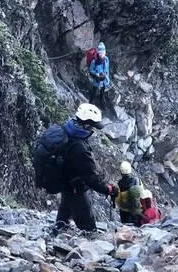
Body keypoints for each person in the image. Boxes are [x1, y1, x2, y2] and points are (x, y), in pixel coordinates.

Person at [54, 103, 117, 233]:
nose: (93, 130)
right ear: (87, 125)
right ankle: (90, 242)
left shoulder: (66, 130)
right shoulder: (79, 147)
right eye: (92, 127)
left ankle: (57, 232)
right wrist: (107, 189)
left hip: (65, 182)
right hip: (76, 187)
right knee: (88, 226)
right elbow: (91, 177)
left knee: (65, 209)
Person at [114, 161, 143, 226]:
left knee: (126, 228)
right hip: (135, 209)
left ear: (121, 172)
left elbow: (117, 198)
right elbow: (142, 194)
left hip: (124, 210)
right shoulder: (136, 180)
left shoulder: (119, 183)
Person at [88, 42, 111, 108]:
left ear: (105, 52)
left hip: (104, 80)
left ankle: (102, 104)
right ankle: (90, 104)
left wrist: (107, 78)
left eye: (102, 53)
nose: (101, 54)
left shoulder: (106, 59)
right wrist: (97, 74)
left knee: (102, 92)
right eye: (100, 53)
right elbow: (91, 70)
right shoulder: (94, 61)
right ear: (98, 52)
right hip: (97, 79)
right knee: (94, 92)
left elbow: (107, 69)